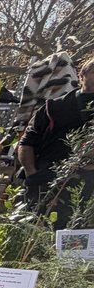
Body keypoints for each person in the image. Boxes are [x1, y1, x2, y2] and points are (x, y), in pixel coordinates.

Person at [19, 58, 94, 226]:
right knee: (40, 228)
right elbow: (27, 142)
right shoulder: (53, 107)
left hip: (88, 182)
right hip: (50, 179)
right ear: (81, 76)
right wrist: (32, 173)